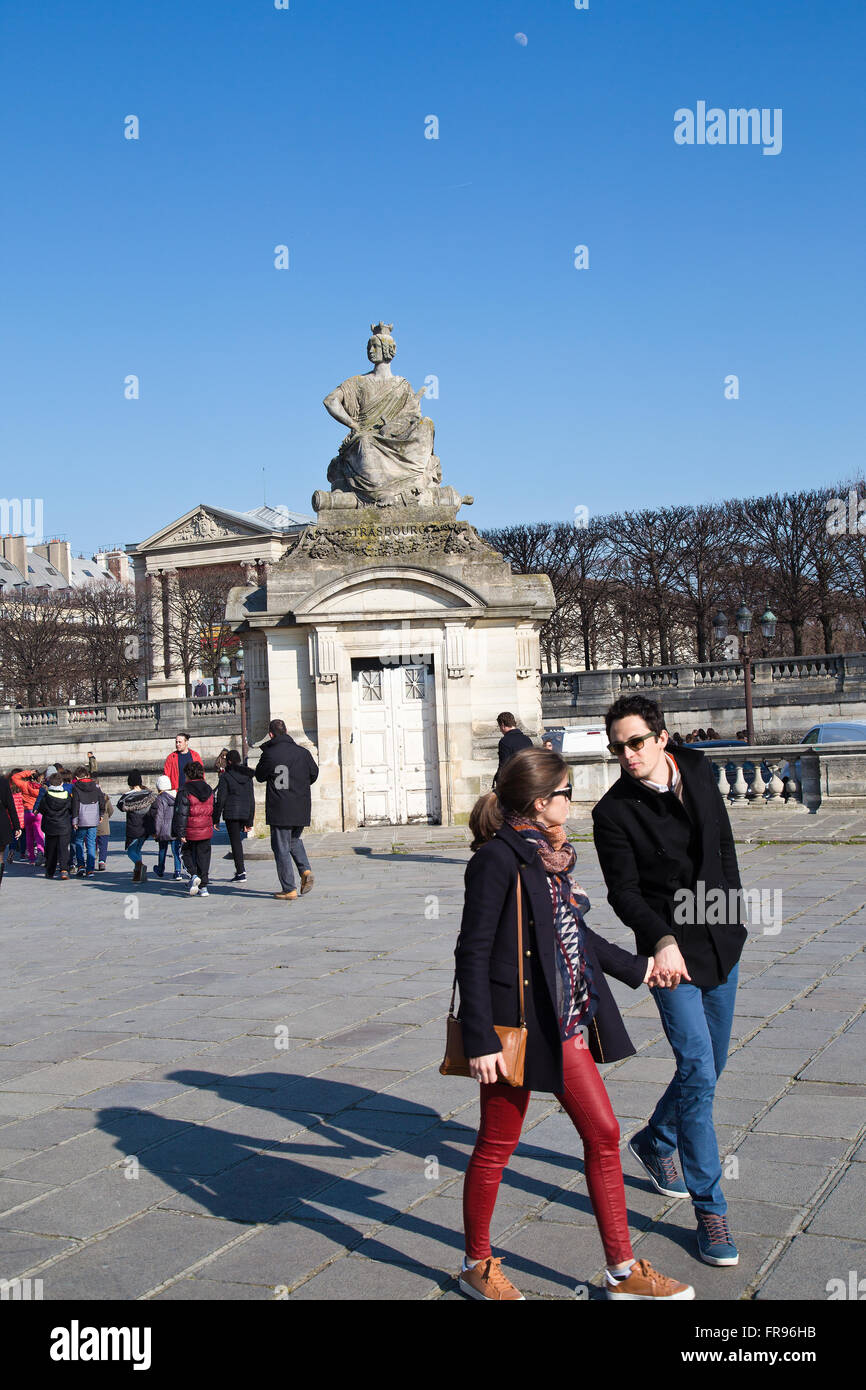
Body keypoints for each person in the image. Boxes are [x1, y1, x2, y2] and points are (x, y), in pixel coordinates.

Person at [455, 748, 693, 1302]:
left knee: (604, 1135)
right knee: (497, 1144)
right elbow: (472, 949)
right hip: (516, 1028)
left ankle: (621, 1271)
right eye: (565, 792)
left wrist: (642, 968)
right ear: (541, 803)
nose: (572, 800)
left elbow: (575, 940)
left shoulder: (552, 857)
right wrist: (480, 1037)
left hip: (564, 1024)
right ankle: (476, 1263)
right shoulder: (497, 860)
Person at [592, 694, 746, 1268]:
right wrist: (659, 939)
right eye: (618, 747)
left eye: (635, 742)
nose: (628, 755)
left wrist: (734, 918)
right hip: (667, 953)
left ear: (662, 737)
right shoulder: (612, 812)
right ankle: (710, 1207)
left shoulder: (701, 769)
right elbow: (623, 892)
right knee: (698, 1070)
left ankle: (657, 1139)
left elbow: (724, 847)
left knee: (713, 1065)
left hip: (720, 941)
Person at [255, 718, 318, 901]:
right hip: (300, 804)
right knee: (293, 840)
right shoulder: (303, 753)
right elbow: (313, 774)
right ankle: (305, 870)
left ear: (270, 734)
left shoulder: (270, 754)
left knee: (280, 847)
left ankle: (289, 888)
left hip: (280, 806)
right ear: (287, 731)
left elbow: (259, 776)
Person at [171, 761, 214, 897]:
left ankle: (193, 874)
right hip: (205, 829)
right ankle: (204, 886)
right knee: (204, 856)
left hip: (190, 829)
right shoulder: (208, 789)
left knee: (186, 853)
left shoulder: (184, 790)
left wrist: (180, 831)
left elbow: (181, 812)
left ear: (187, 775)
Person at [213, 750, 255, 882]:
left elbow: (221, 799)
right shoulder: (247, 776)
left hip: (231, 813)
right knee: (237, 843)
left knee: (236, 842)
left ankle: (241, 871)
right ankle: (240, 871)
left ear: (229, 762)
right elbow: (251, 798)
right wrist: (250, 821)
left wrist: (215, 818)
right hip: (245, 811)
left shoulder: (225, 776)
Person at [116, 772, 157, 883]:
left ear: (130, 783)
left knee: (131, 852)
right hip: (145, 828)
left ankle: (139, 865)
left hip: (133, 828)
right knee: (138, 849)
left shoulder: (127, 797)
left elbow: (120, 805)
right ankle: (138, 874)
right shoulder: (149, 795)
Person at [71, 766, 107, 878]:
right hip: (93, 818)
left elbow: (75, 804)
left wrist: (75, 820)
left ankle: (81, 865)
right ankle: (90, 869)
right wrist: (101, 814)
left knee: (79, 841)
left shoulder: (75, 787)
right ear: (87, 775)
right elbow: (102, 800)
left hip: (81, 818)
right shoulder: (96, 786)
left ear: (77, 777)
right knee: (91, 843)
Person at [38, 773, 74, 880]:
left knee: (51, 849)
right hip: (64, 825)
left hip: (50, 826)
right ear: (61, 783)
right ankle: (64, 870)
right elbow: (71, 810)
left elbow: (42, 809)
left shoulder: (46, 796)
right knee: (63, 848)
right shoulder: (67, 796)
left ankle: (50, 871)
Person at [11, 767, 44, 866]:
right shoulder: (40, 788)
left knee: (29, 836)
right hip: (38, 813)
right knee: (39, 834)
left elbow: (14, 777)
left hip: (27, 812)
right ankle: (40, 851)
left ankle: (31, 858)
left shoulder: (24, 785)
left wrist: (28, 772)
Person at [152, 775, 183, 880]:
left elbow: (159, 817)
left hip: (163, 829)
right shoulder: (177, 796)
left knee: (162, 850)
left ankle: (160, 869)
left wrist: (156, 831)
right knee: (176, 851)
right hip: (175, 828)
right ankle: (178, 871)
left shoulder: (160, 799)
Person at [493, 712, 532, 788]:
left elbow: (504, 765)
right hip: (529, 780)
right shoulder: (527, 739)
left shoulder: (505, 741)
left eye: (499, 727)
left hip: (514, 783)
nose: (500, 730)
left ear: (503, 725)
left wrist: (498, 780)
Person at [0, 772, 22, 887]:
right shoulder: (3, 782)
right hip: (2, 822)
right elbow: (10, 805)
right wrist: (17, 826)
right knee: (0, 856)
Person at [96, 786, 113, 871]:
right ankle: (102, 861)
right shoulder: (105, 797)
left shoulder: (88, 796)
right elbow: (111, 810)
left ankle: (92, 859)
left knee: (91, 845)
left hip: (91, 825)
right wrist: (106, 817)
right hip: (104, 825)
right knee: (103, 846)